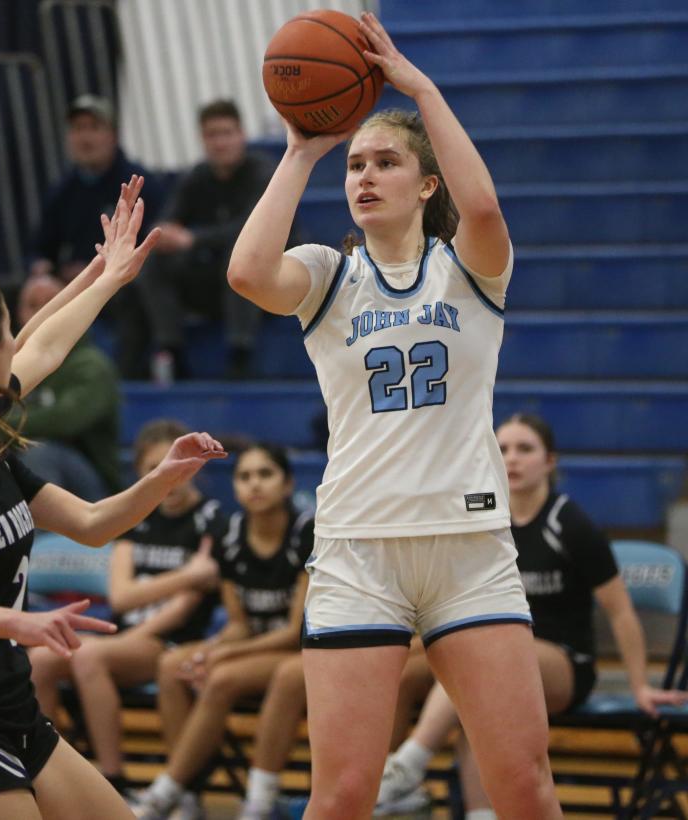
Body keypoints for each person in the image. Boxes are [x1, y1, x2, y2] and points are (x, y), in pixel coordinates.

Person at [227, 12, 562, 817]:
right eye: (356, 165)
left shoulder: (469, 269)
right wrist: (304, 149)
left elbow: (483, 206)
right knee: (343, 793)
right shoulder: (325, 274)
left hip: (468, 550)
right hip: (359, 553)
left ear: (426, 183)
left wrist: (421, 87)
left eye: (386, 163)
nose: (366, 176)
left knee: (523, 784)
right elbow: (245, 272)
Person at [0, 178, 226, 820]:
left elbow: (89, 523)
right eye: (9, 332)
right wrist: (15, 622)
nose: (20, 342)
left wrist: (161, 479)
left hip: (10, 708)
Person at [376, 414, 688, 818]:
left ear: (550, 462)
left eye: (525, 449)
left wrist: (640, 685)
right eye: (503, 449)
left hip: (562, 662)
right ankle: (437, 801)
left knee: (480, 665)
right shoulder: (485, 519)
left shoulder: (570, 523)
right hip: (490, 656)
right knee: (410, 671)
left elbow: (621, 611)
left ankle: (409, 763)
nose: (512, 459)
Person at [27, 418, 224, 795]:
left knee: (88, 657)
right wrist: (189, 574)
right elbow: (120, 596)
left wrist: (122, 638)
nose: (169, 475)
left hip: (169, 640)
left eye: (176, 464)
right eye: (154, 468)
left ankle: (114, 780)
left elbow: (182, 610)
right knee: (40, 659)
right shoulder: (139, 515)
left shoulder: (211, 518)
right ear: (140, 472)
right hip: (122, 637)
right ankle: (52, 778)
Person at [130, 443, 314, 820]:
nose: (254, 484)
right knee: (172, 665)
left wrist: (224, 654)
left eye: (265, 474)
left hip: (297, 650)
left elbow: (296, 631)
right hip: (255, 644)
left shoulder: (305, 533)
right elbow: (239, 625)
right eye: (244, 476)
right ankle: (190, 792)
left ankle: (178, 793)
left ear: (287, 484)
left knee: (222, 676)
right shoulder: (230, 536)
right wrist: (212, 647)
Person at [28, 95, 166, 379]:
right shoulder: (62, 190)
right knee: (21, 292)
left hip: (125, 279)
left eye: (93, 127)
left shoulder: (140, 182)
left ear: (113, 135)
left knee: (134, 297)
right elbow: (41, 247)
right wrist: (41, 268)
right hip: (72, 281)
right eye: (78, 128)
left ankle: (121, 382)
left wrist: (103, 269)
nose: (85, 137)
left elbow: (155, 243)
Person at [138, 100, 278, 381]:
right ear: (202, 139)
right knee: (154, 262)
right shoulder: (197, 176)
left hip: (268, 279)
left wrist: (193, 239)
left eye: (226, 133)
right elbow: (167, 222)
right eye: (212, 135)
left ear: (242, 135)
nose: (220, 143)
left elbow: (252, 228)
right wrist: (165, 234)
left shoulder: (263, 172)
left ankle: (240, 354)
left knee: (241, 252)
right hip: (216, 280)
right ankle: (171, 351)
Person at [236, 638, 434, 820]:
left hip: (413, 643)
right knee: (292, 675)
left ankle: (391, 779)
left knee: (390, 673)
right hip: (365, 638)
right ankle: (260, 803)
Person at [9, 273, 121, 501]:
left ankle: (45, 538)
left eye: (51, 301)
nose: (42, 311)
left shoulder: (91, 364)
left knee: (39, 454)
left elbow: (65, 420)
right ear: (20, 314)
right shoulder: (11, 362)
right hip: (21, 466)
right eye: (33, 305)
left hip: (92, 487)